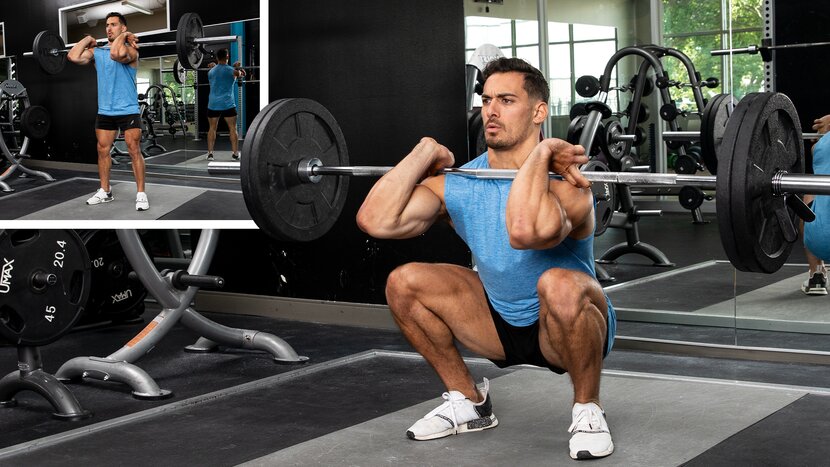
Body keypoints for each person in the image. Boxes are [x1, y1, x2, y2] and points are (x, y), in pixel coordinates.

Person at [356, 57, 616, 460]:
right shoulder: (461, 181)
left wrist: (544, 152)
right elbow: (375, 220)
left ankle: (588, 408)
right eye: (487, 99)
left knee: (559, 282)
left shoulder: (570, 186)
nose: (491, 110)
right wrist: (423, 152)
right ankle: (469, 402)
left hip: (566, 326)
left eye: (507, 100)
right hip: (495, 320)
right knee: (403, 282)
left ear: (538, 112)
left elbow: (525, 232)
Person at [67, 12, 149, 211]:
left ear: (122, 27)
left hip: (127, 109)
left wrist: (125, 36)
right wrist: (88, 39)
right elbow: (72, 56)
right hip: (105, 111)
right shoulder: (98, 52)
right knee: (102, 150)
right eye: (107, 25)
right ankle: (105, 191)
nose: (108, 28)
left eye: (113, 25)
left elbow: (116, 54)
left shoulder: (131, 51)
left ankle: (141, 194)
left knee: (133, 150)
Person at [800, 115, 830, 295]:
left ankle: (816, 274)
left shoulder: (817, 148)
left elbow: (816, 152)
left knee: (811, 192)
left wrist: (823, 137)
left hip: (820, 242)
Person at [205, 48, 245, 161]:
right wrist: (237, 67)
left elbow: (218, 73)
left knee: (212, 128)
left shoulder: (210, 72)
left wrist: (215, 66)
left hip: (213, 104)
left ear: (217, 58)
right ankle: (235, 154)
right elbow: (242, 74)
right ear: (227, 57)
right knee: (233, 128)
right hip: (228, 104)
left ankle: (210, 154)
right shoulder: (232, 70)